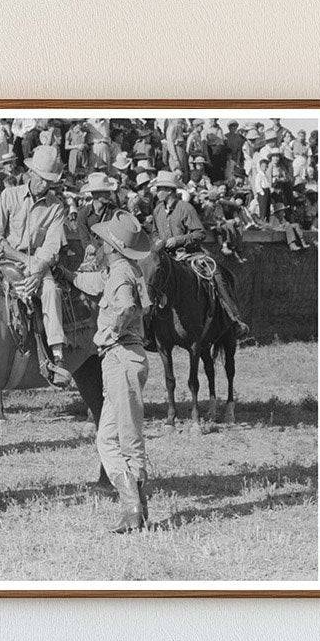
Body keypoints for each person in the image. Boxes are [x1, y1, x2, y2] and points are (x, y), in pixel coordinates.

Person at [0, 144, 71, 385]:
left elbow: (52, 247)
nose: (45, 184)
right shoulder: (9, 195)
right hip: (7, 260)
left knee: (51, 290)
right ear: (31, 173)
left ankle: (57, 354)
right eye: (42, 178)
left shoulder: (55, 207)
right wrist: (22, 259)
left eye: (49, 181)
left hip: (38, 264)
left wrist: (38, 269)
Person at [89, 210, 153, 533]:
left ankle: (135, 512)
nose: (99, 246)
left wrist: (111, 331)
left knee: (128, 439)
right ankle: (134, 503)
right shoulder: (126, 268)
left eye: (102, 242)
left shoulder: (118, 272)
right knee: (106, 438)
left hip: (121, 357)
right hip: (122, 359)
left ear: (112, 247)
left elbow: (126, 306)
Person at [150, 170, 204, 255]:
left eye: (159, 189)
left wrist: (178, 240)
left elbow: (200, 234)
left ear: (169, 191)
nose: (156, 192)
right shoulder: (157, 210)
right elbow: (154, 232)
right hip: (165, 255)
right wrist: (157, 240)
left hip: (187, 253)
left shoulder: (186, 208)